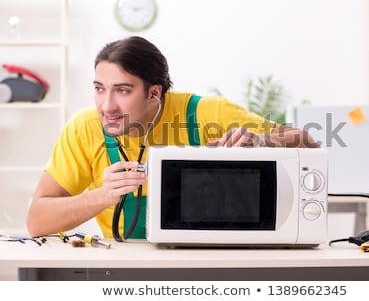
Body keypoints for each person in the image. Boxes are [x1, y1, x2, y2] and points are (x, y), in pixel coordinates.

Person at [26, 36, 318, 240]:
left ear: (154, 93)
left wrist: (261, 142)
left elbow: (307, 142)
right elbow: (37, 220)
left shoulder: (207, 113)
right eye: (100, 88)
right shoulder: (84, 128)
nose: (107, 106)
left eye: (123, 91)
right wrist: (102, 196)